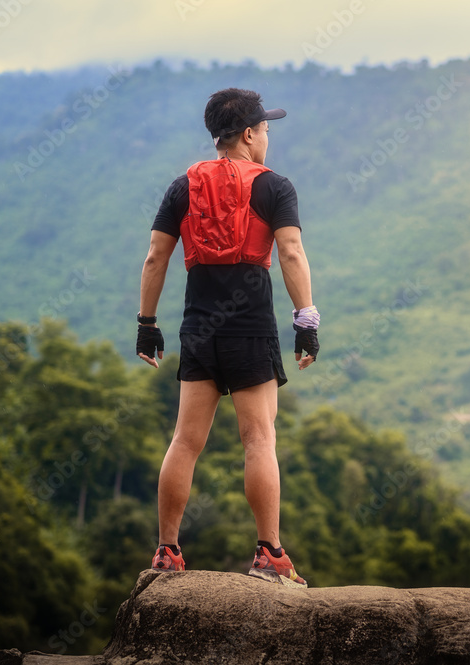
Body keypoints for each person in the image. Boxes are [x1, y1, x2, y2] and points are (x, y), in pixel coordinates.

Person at [135, 87, 320, 588]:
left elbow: (156, 256)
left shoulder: (183, 186)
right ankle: (270, 553)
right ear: (247, 134)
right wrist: (305, 320)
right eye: (265, 129)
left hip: (198, 326)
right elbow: (291, 252)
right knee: (259, 439)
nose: (267, 138)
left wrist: (146, 325)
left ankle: (168, 551)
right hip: (250, 327)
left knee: (185, 441)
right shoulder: (274, 187)